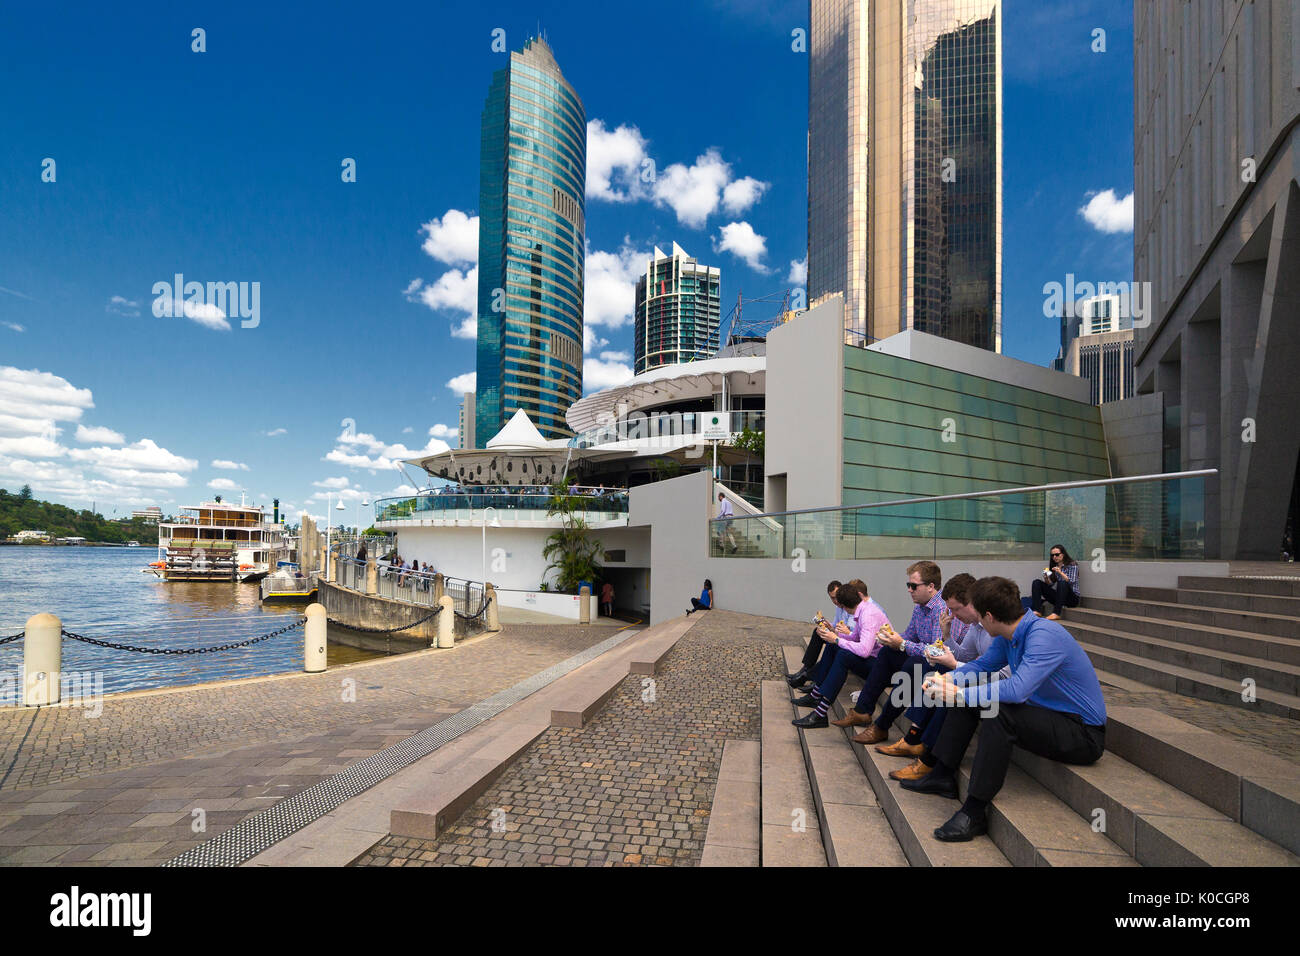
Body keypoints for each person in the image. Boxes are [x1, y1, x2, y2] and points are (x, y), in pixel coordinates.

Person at [901, 576, 1107, 843]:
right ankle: (942, 774)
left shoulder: (1044, 636)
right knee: (971, 699)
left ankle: (974, 812)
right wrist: (948, 680)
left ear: (989, 616)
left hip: (1082, 733)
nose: (974, 620)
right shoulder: (1008, 634)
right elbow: (982, 667)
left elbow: (1018, 689)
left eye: (976, 613)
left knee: (996, 711)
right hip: (1047, 716)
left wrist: (960, 692)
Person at [878, 573, 1007, 781]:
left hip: (997, 689)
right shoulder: (977, 626)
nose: (954, 615)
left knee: (946, 682)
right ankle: (913, 739)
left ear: (973, 603)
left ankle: (924, 753)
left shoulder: (996, 628)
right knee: (940, 675)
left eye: (956, 609)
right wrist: (947, 637)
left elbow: (998, 675)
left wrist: (953, 665)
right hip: (984, 680)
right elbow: (965, 656)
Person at [830, 561, 947, 745]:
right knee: (886, 652)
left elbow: (935, 650)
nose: (909, 590)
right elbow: (910, 635)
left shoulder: (940, 608)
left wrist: (901, 643)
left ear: (931, 587)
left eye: (913, 586)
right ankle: (862, 711)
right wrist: (891, 637)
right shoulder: (920, 606)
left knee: (911, 665)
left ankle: (881, 726)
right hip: (923, 661)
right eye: (908, 585)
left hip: (938, 665)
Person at [791, 581, 892, 728]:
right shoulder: (863, 610)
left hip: (882, 668)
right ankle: (816, 695)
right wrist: (833, 635)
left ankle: (820, 712)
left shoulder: (868, 614)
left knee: (843, 654)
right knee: (833, 647)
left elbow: (864, 651)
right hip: (874, 660)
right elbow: (854, 637)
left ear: (844, 606)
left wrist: (837, 639)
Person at [786, 580, 845, 687]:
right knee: (817, 632)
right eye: (832, 598)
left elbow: (848, 633)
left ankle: (809, 676)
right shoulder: (839, 608)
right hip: (839, 636)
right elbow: (835, 626)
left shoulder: (848, 607)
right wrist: (826, 625)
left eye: (836, 597)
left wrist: (832, 631)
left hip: (845, 640)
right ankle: (806, 668)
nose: (835, 600)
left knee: (831, 645)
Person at [1031, 544, 1080, 619]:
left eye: (1057, 554)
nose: (1054, 557)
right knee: (1036, 582)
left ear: (1063, 554)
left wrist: (1060, 572)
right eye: (1052, 555)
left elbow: (1071, 581)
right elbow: (1050, 584)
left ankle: (1056, 613)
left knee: (1062, 582)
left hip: (1072, 599)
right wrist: (1047, 578)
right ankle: (1037, 610)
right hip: (1059, 598)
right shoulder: (1055, 566)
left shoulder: (1072, 564)